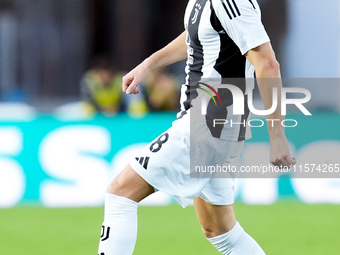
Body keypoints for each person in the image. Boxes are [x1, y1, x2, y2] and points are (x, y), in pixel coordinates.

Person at [98, 0, 296, 254]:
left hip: (208, 122)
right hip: (213, 125)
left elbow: (267, 64)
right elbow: (197, 35)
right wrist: (149, 63)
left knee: (120, 194)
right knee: (221, 232)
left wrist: (277, 135)